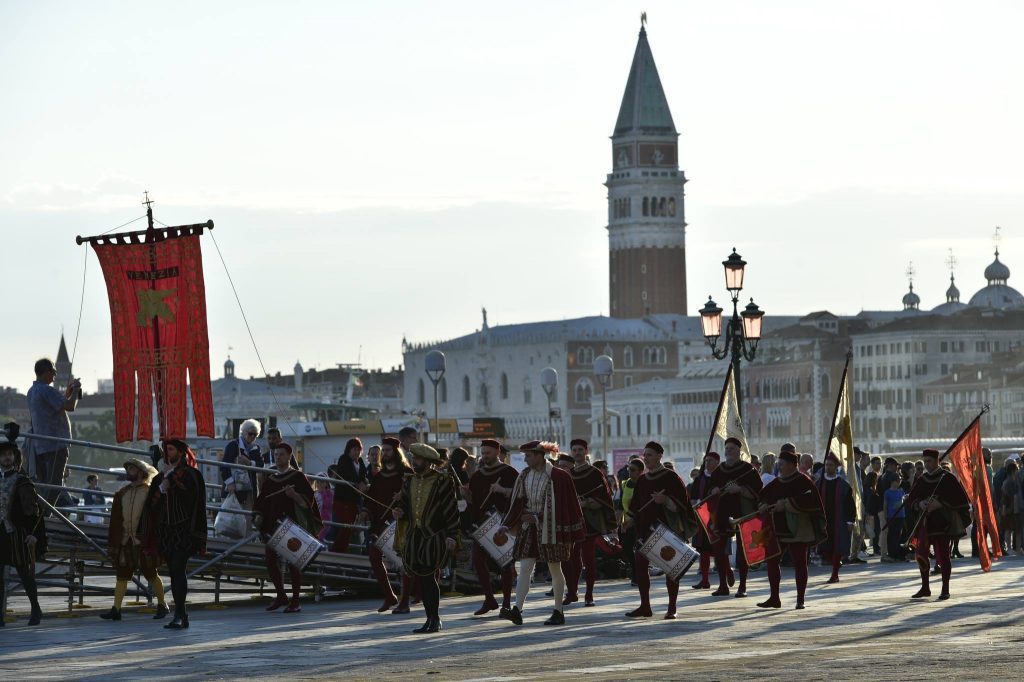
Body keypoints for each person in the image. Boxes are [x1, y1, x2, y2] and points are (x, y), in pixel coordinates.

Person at [498, 440, 584, 627]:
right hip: (529, 528)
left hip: (551, 528)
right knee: (525, 567)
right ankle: (517, 610)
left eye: (528, 456)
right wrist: (507, 524)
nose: (526, 460)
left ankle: (558, 611)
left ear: (539, 455)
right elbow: (517, 502)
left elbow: (564, 505)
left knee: (554, 567)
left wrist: (538, 516)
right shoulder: (524, 475)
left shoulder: (559, 476)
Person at [623, 441, 700, 620]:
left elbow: (684, 506)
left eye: (649, 454)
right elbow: (636, 505)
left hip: (667, 531)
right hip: (644, 531)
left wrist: (665, 500)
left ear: (659, 456)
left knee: (671, 569)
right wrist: (630, 521)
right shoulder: (641, 480)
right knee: (640, 567)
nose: (646, 458)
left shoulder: (671, 478)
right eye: (645, 454)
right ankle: (645, 606)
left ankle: (671, 607)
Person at [393, 443, 461, 634]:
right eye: (414, 458)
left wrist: (452, 535)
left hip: (434, 535)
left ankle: (435, 619)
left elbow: (451, 510)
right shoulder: (410, 480)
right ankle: (430, 618)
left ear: (429, 462)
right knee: (422, 578)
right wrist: (400, 512)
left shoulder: (443, 480)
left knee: (429, 577)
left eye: (418, 459)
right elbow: (405, 506)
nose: (414, 462)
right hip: (415, 536)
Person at [142, 439, 207, 629]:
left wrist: (174, 485)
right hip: (166, 531)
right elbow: (151, 508)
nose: (167, 453)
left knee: (178, 568)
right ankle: (182, 614)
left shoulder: (191, 475)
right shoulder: (159, 477)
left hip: (185, 530)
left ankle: (179, 613)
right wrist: (160, 490)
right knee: (173, 570)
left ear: (180, 452)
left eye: (170, 449)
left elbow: (194, 501)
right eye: (166, 449)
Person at [253, 442, 322, 614]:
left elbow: (308, 502)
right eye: (276, 455)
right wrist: (259, 515)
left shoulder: (298, 477)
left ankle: (296, 600)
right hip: (273, 526)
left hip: (292, 526)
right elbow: (262, 501)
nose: (278, 457)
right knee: (270, 559)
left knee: (293, 562)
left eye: (281, 454)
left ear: (289, 456)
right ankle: (281, 595)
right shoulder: (271, 480)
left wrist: (294, 495)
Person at [100, 458, 168, 621]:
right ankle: (116, 609)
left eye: (131, 469)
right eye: (127, 469)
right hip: (125, 542)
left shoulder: (150, 492)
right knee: (122, 575)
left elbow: (158, 518)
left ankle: (162, 604)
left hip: (143, 541)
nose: (128, 472)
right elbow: (115, 521)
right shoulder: (122, 493)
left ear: (140, 472)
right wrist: (114, 543)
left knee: (151, 574)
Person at [757, 450, 826, 609]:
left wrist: (787, 504)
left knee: (800, 563)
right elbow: (763, 497)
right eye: (779, 463)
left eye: (782, 463)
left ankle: (800, 599)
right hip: (778, 529)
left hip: (799, 530)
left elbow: (811, 501)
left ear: (792, 465)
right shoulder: (776, 483)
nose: (779, 466)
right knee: (772, 561)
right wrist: (762, 506)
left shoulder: (804, 481)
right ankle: (774, 598)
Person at [462, 438, 518, 616]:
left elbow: (520, 496)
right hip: (482, 525)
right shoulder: (477, 475)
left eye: (488, 453)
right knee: (478, 560)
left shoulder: (509, 472)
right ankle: (489, 599)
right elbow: (475, 502)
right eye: (483, 453)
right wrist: (467, 496)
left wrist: (502, 490)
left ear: (497, 452)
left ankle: (507, 603)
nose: (485, 456)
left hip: (502, 523)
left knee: (505, 563)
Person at [906, 449, 970, 600]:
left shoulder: (948, 478)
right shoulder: (922, 479)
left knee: (943, 556)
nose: (927, 464)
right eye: (925, 461)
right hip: (925, 524)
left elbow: (960, 500)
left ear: (937, 461)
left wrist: (940, 504)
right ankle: (925, 587)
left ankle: (945, 589)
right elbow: (912, 499)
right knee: (921, 554)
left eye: (929, 461)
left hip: (943, 524)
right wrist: (919, 504)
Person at [361, 437, 413, 613]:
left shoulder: (407, 474)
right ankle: (390, 596)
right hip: (380, 524)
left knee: (404, 564)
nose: (384, 454)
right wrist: (365, 511)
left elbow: (416, 498)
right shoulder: (379, 476)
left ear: (396, 453)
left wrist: (403, 505)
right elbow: (372, 500)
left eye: (388, 450)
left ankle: (405, 601)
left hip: (401, 523)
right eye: (383, 451)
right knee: (374, 557)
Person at [708, 437, 763, 598]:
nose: (728, 451)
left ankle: (742, 586)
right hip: (722, 513)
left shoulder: (748, 469)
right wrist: (714, 490)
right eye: (727, 448)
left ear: (739, 451)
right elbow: (710, 488)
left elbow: (758, 492)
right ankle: (723, 585)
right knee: (719, 550)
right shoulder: (719, 470)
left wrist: (740, 489)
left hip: (742, 513)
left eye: (732, 448)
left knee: (742, 551)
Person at [565, 438, 615, 607]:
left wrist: (586, 503)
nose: (577, 453)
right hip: (573, 521)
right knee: (571, 557)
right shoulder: (568, 474)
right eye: (574, 450)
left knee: (588, 558)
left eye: (580, 449)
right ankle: (572, 592)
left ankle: (589, 594)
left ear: (586, 451)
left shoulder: (595, 473)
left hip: (590, 521)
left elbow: (605, 497)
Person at [0, 442, 45, 626]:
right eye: (3, 455)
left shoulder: (22, 480)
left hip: (17, 532)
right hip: (0, 532)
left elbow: (34, 510)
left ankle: (36, 609)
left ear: (14, 456)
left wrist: (34, 534)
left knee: (24, 574)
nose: (6, 457)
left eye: (9, 454)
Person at [26, 358, 80, 508]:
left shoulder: (32, 391)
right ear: (47, 372)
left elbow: (54, 405)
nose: (55, 375)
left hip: (41, 446)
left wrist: (67, 393)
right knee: (56, 485)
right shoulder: (46, 389)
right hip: (56, 445)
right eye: (54, 371)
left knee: (46, 484)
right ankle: (44, 517)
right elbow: (69, 406)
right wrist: (75, 391)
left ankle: (40, 515)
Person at [815, 452, 856, 583]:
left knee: (837, 548)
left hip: (839, 521)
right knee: (823, 548)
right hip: (824, 521)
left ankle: (835, 574)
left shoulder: (843, 485)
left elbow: (850, 504)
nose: (828, 467)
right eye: (826, 465)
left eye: (831, 465)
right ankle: (836, 564)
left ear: (836, 466)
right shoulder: (819, 484)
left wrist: (850, 521)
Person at [328, 438, 368, 553]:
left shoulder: (359, 461)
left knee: (349, 527)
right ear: (349, 450)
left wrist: (363, 482)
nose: (357, 452)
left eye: (359, 450)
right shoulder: (343, 459)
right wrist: (358, 484)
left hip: (353, 501)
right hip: (342, 500)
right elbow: (346, 474)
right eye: (354, 449)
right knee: (346, 526)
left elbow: (363, 475)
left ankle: (339, 550)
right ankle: (336, 550)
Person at [687, 451, 720, 590]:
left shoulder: (721, 477)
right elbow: (693, 498)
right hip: (702, 517)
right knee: (704, 549)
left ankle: (726, 576)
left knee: (719, 549)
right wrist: (696, 504)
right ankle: (705, 579)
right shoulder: (699, 479)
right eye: (706, 460)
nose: (708, 463)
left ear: (717, 462)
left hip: (718, 517)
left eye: (711, 460)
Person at [220, 419, 264, 509]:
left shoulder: (256, 448)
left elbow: (261, 465)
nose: (253, 437)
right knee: (231, 517)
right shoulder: (233, 445)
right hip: (234, 486)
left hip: (249, 489)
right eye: (250, 434)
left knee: (248, 517)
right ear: (243, 432)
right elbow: (224, 465)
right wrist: (230, 483)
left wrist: (248, 462)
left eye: (255, 435)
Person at [618, 457, 644, 585]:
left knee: (640, 550)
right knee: (627, 548)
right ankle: (635, 571)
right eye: (629, 469)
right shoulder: (625, 484)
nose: (630, 472)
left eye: (633, 470)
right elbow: (620, 505)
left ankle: (639, 575)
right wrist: (619, 522)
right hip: (627, 521)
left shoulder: (645, 483)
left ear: (640, 471)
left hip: (641, 521)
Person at [999, 459, 1022, 555]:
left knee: (1013, 529)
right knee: (1012, 529)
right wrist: (1004, 510)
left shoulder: (1008, 481)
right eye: (1016, 469)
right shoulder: (1010, 482)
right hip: (1010, 509)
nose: (1017, 471)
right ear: (1013, 471)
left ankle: (1014, 548)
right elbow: (1005, 498)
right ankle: (1012, 548)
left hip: (1010, 508)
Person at [883, 475, 906, 562]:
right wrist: (885, 516)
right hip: (891, 516)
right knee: (892, 535)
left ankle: (898, 554)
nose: (900, 482)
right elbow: (885, 505)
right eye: (898, 480)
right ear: (893, 481)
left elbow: (904, 501)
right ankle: (892, 554)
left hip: (901, 515)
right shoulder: (887, 492)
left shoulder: (901, 491)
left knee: (898, 535)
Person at [313, 476, 334, 543]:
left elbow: (328, 505)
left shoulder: (330, 493)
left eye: (322, 482)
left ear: (326, 483)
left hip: (326, 519)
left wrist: (323, 493)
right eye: (318, 482)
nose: (320, 484)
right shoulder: (315, 493)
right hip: (316, 518)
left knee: (322, 537)